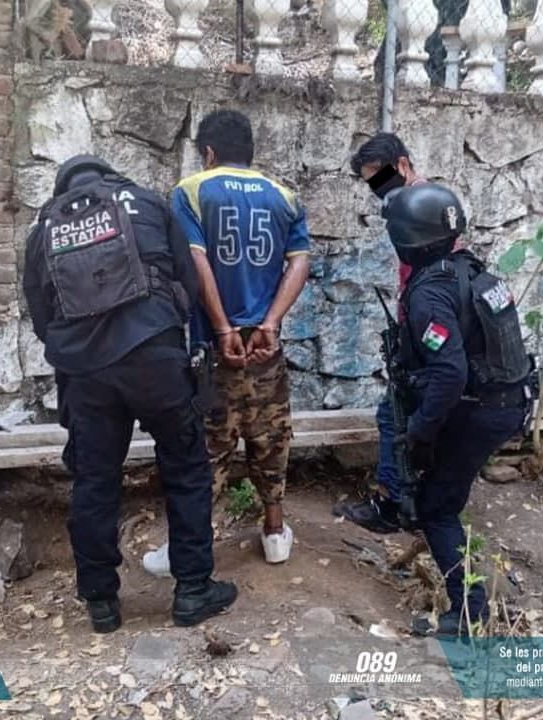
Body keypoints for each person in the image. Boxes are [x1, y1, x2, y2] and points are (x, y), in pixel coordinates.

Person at [22, 154, 237, 632]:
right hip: (155, 356)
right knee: (185, 468)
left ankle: (101, 602)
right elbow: (188, 280)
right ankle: (193, 591)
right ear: (109, 176)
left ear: (64, 188)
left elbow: (40, 315)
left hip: (85, 373)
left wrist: (80, 347)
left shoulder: (45, 229)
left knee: (94, 480)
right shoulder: (147, 203)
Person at [143, 109, 312, 575]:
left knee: (205, 447)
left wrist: (221, 328)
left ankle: (186, 546)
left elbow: (196, 261)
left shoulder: (190, 191)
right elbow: (300, 262)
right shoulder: (285, 196)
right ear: (249, 152)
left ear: (209, 152)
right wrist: (271, 323)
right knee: (271, 437)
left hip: (214, 349)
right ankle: (275, 534)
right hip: (265, 345)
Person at [381, 183, 532, 636]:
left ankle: (469, 611)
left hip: (478, 409)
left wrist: (420, 430)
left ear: (406, 240)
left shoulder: (429, 293)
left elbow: (449, 373)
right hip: (505, 403)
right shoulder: (475, 272)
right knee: (443, 492)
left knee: (436, 507)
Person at [338, 133, 432, 534]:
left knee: (393, 416)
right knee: (404, 415)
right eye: (371, 182)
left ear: (404, 165)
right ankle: (412, 501)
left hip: (425, 331)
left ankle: (392, 505)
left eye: (381, 177)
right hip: (417, 326)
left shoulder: (421, 207)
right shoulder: (421, 204)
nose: (378, 189)